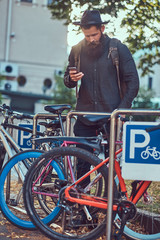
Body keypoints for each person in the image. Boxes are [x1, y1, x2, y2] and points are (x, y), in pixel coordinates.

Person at [64, 10, 139, 185]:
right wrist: (71, 79)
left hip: (111, 117)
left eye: (94, 34)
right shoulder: (76, 50)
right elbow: (68, 81)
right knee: (81, 166)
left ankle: (110, 206)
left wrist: (122, 110)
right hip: (84, 116)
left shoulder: (118, 49)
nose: (91, 39)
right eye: (87, 35)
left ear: (102, 28)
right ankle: (83, 209)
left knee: (111, 168)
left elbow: (133, 82)